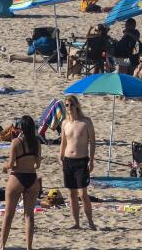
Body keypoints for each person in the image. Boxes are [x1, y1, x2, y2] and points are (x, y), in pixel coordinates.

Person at [0, 115, 41, 250]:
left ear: (21, 128)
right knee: (29, 215)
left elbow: (11, 164)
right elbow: (37, 165)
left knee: (9, 214)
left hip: (18, 178)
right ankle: (29, 247)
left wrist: (4, 167)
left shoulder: (16, 142)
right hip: (32, 179)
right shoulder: (36, 142)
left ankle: (2, 246)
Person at [59, 95, 96, 230]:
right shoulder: (65, 123)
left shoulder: (86, 122)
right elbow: (63, 142)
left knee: (83, 193)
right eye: (66, 105)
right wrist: (60, 156)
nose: (68, 108)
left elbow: (92, 142)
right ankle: (76, 223)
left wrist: (91, 160)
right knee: (72, 193)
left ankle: (91, 222)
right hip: (68, 160)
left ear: (76, 105)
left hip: (82, 160)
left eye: (70, 105)